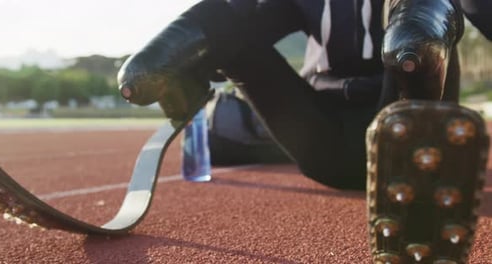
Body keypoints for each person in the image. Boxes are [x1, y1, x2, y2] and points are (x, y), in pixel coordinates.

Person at [117, 0, 491, 262]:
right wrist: (180, 59)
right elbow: (235, 21)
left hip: (410, 126)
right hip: (326, 145)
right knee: (223, 23)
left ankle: (418, 138)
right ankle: (150, 67)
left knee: (422, 21)